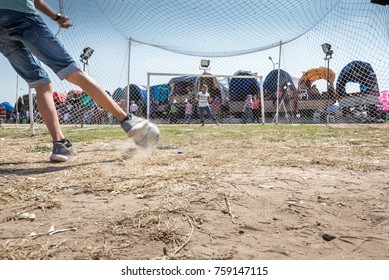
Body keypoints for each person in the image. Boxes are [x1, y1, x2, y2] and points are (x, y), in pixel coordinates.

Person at [0, 0, 151, 162]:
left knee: (41, 84)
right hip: (22, 15)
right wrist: (57, 17)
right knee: (72, 72)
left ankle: (60, 145)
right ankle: (126, 120)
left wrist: (56, 16)